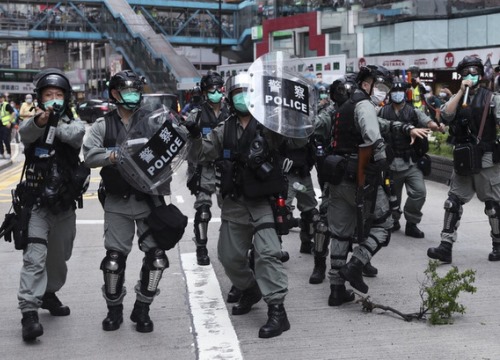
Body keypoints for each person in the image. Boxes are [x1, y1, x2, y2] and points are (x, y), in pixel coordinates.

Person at [184, 73, 304, 338]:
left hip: (263, 201)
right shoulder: (223, 128)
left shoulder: (269, 125)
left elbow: (298, 140)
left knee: (267, 253)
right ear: (230, 97)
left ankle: (277, 310)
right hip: (235, 202)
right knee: (229, 257)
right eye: (237, 93)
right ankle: (250, 289)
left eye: (248, 92)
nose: (243, 98)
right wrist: (192, 136)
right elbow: (200, 153)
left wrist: (291, 116)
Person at [319, 65, 429, 306]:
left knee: (339, 233)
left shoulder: (342, 107)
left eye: (385, 88)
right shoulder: (364, 105)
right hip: (360, 179)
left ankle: (336, 289)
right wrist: (382, 157)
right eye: (379, 86)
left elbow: (376, 124)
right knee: (385, 223)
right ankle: (357, 263)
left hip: (338, 178)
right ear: (366, 84)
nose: (383, 92)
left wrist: (403, 127)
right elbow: (372, 134)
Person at [83, 70, 169, 333]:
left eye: (136, 90)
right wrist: (115, 154)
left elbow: (171, 150)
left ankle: (142, 308)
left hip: (148, 200)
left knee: (156, 258)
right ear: (115, 94)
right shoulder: (102, 125)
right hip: (117, 201)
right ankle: (114, 309)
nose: (133, 95)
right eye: (127, 91)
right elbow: (89, 155)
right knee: (114, 260)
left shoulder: (152, 121)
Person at [17, 68, 87, 341]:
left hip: (65, 205)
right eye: (49, 95)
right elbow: (25, 134)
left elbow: (74, 136)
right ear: (40, 98)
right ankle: (29, 312)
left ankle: (49, 293)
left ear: (66, 98)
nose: (54, 99)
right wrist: (41, 120)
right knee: (34, 257)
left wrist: (55, 122)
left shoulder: (74, 123)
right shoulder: (34, 122)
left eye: (59, 95)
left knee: (59, 257)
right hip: (36, 204)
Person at [427, 56, 500, 263]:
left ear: (481, 74)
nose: (470, 76)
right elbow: (447, 116)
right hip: (464, 161)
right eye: (466, 73)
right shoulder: (460, 98)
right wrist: (460, 91)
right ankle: (445, 246)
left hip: (487, 161)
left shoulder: (492, 98)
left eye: (474, 72)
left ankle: (498, 244)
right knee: (452, 202)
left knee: (493, 206)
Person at [378, 78, 445, 238]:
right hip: (389, 163)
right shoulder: (381, 112)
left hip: (411, 162)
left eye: (400, 91)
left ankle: (412, 223)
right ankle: (393, 220)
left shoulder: (413, 111)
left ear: (405, 93)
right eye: (394, 91)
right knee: (390, 198)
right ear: (390, 94)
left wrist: (437, 126)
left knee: (419, 193)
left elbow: (428, 122)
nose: (398, 94)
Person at [185, 71, 229, 267]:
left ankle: (231, 247)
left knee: (231, 211)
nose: (216, 93)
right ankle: (201, 247)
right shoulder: (197, 114)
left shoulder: (232, 111)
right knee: (203, 210)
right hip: (204, 168)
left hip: (228, 166)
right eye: (211, 90)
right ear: (204, 92)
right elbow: (189, 145)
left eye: (219, 89)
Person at [0, 94, 16, 158]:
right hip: (0, 124)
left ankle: (9, 153)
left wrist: (9, 122)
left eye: (1, 98)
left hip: (6, 124)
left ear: (3, 98)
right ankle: (1, 153)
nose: (0, 99)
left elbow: (13, 113)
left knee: (6, 139)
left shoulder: (6, 105)